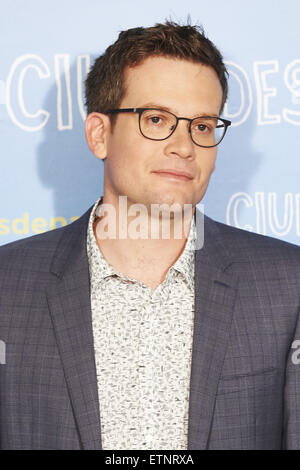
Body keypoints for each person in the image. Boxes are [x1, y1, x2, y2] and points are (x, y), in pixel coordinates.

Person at [0, 21, 300, 451]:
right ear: (99, 134)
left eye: (201, 125)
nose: (184, 146)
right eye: (156, 119)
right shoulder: (7, 286)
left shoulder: (287, 285)